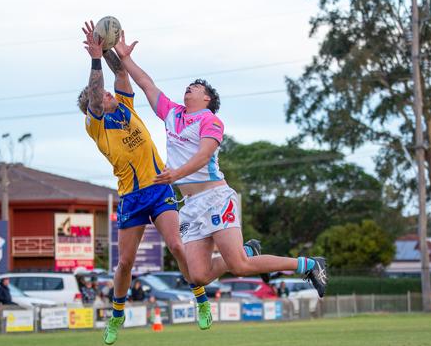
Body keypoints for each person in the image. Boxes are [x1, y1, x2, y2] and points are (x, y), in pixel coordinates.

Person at [113, 30, 328, 302]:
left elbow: (204, 156)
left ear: (207, 100)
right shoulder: (172, 113)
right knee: (197, 276)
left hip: (216, 198)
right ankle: (249, 250)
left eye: (197, 87)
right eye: (190, 85)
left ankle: (308, 265)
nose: (190, 87)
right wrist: (126, 58)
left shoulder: (210, 120)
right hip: (191, 205)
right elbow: (146, 84)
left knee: (239, 265)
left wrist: (175, 174)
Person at [77, 20, 220, 344]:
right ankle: (117, 315)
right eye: (104, 95)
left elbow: (122, 75)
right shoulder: (95, 124)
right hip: (131, 197)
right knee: (125, 262)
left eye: (112, 93)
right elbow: (97, 95)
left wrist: (111, 49)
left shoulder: (126, 106)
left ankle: (200, 298)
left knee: (177, 245)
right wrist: (95, 58)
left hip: (159, 188)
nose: (111, 94)